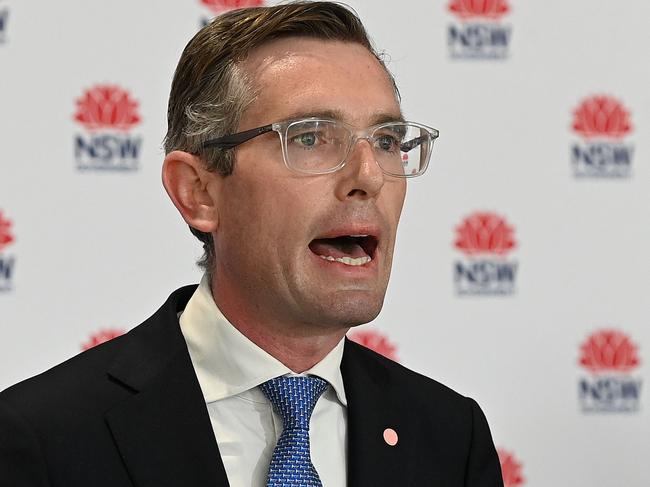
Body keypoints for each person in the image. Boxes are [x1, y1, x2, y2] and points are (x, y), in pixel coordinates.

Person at [0, 2, 503, 486]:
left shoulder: (449, 437)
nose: (369, 176)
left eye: (388, 140)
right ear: (198, 192)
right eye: (311, 137)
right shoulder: (44, 438)